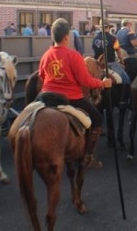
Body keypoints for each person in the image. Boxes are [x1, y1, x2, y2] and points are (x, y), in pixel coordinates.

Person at [39, 18, 112, 168]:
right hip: (70, 98)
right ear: (66, 37)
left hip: (46, 96)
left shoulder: (46, 55)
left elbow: (41, 76)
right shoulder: (74, 55)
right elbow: (85, 80)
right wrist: (102, 83)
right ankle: (89, 156)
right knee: (97, 119)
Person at [92, 20, 130, 103]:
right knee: (126, 79)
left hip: (97, 64)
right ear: (108, 28)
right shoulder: (113, 39)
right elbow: (118, 51)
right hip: (110, 63)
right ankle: (123, 101)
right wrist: (121, 60)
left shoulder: (94, 39)